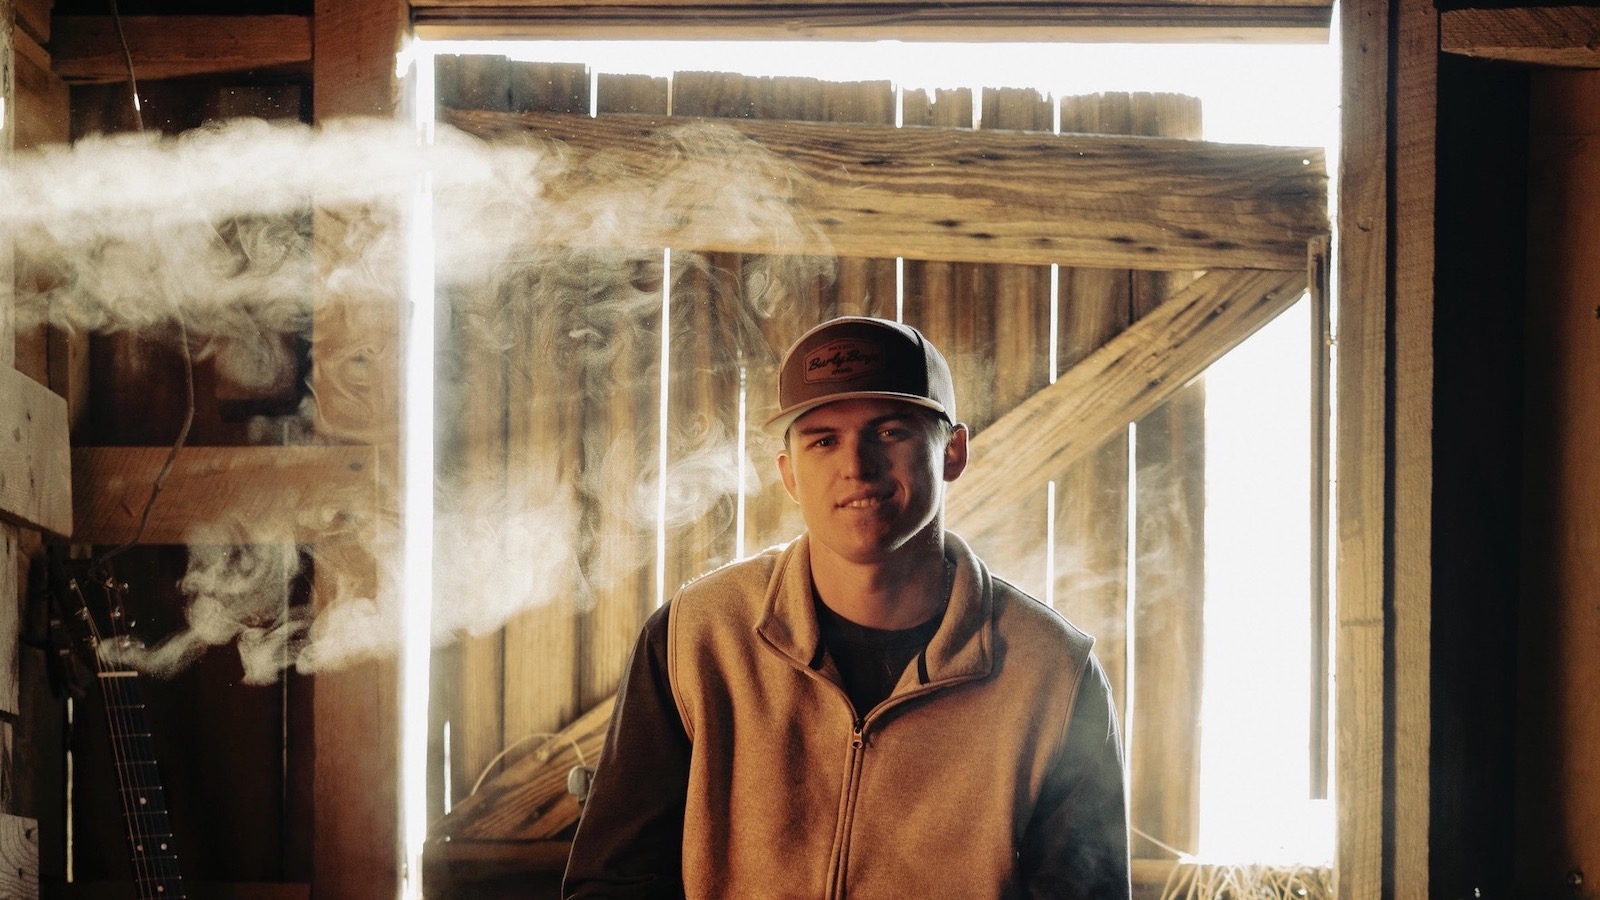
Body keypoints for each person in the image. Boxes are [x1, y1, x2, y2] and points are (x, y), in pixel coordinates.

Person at [563, 316, 1130, 900]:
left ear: (953, 451)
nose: (856, 465)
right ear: (789, 473)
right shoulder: (696, 639)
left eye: (889, 432)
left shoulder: (1055, 673)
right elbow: (612, 884)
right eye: (823, 439)